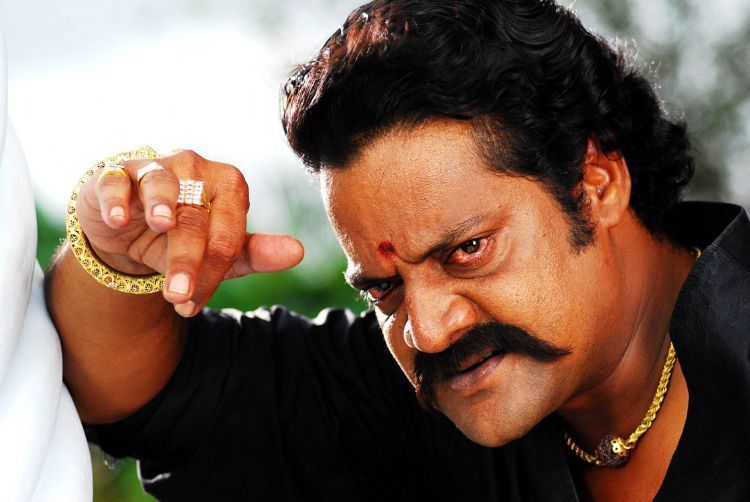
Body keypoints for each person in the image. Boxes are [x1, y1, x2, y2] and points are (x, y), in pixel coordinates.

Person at [46, 0, 750, 500]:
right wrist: (122, 245)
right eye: (382, 287)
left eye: (468, 250)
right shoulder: (429, 392)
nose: (429, 330)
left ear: (596, 184)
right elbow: (137, 396)